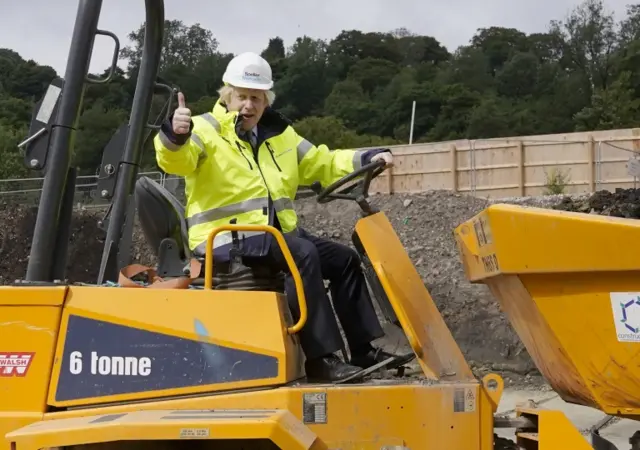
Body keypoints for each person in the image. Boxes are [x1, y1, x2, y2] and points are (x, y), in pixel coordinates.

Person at [153, 52, 412, 383]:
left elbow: (323, 161)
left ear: (266, 101)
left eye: (256, 98)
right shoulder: (204, 130)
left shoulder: (280, 136)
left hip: (273, 237)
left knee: (344, 259)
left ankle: (363, 350)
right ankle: (321, 360)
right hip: (225, 239)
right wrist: (175, 136)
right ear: (227, 95)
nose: (248, 105)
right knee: (301, 254)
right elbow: (177, 161)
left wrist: (367, 155)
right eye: (242, 96)